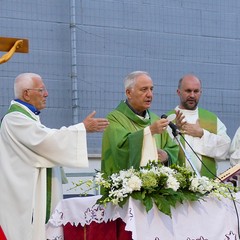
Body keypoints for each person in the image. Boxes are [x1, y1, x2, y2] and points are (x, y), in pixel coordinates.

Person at [0, 73, 109, 240]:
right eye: (41, 89)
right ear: (27, 94)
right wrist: (81, 128)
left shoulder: (28, 118)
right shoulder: (15, 119)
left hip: (30, 191)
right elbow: (46, 140)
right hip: (24, 197)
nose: (46, 94)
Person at [101, 71, 179, 178]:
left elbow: (172, 148)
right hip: (126, 189)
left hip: (156, 189)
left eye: (151, 89)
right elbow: (120, 150)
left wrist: (166, 156)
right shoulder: (114, 119)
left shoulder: (155, 119)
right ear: (128, 93)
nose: (149, 94)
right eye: (144, 89)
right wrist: (149, 131)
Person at [169, 74, 231, 178]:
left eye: (196, 91)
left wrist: (202, 134)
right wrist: (175, 131)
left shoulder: (211, 119)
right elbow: (161, 150)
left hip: (207, 186)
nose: (192, 95)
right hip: (176, 187)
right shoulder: (168, 119)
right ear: (178, 92)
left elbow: (225, 147)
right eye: (188, 91)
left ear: (200, 93)